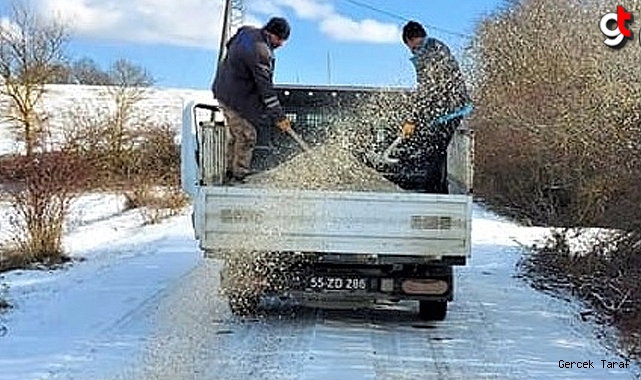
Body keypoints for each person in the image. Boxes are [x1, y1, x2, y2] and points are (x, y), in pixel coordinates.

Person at [212, 17, 293, 184]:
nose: (282, 44)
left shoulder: (246, 32)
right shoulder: (262, 52)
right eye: (281, 40)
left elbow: (230, 45)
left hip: (224, 90)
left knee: (236, 135)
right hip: (234, 98)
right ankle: (238, 175)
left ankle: (229, 172)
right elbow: (266, 89)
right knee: (247, 135)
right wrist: (279, 117)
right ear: (273, 34)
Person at [397, 20, 473, 193]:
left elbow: (427, 88)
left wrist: (412, 119)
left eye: (409, 46)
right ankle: (435, 188)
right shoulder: (434, 47)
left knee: (434, 150)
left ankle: (434, 192)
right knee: (435, 148)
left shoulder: (427, 51)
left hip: (450, 109)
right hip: (448, 108)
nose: (411, 50)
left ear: (410, 40)